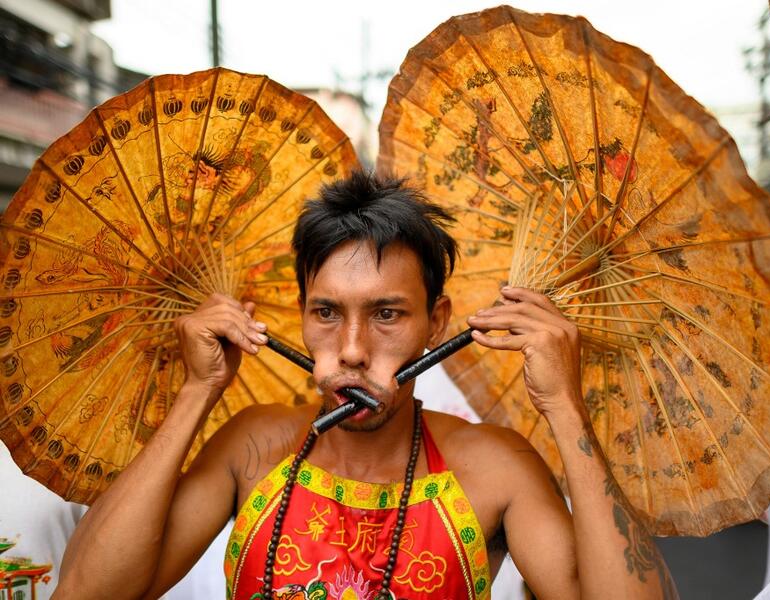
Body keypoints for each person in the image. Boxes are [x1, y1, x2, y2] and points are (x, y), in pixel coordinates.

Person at [54, 171, 677, 599]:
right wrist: (197, 392)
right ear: (299, 313)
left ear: (436, 321)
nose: (351, 351)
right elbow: (86, 592)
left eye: (387, 314)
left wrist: (564, 407)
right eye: (326, 313)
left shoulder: (495, 467)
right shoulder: (255, 445)